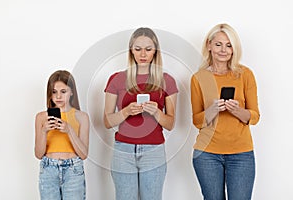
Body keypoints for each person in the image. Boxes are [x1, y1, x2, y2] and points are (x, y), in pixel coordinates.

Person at [103, 27, 178, 200]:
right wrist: (126, 111)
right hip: (123, 151)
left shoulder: (167, 81)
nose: (142, 54)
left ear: (155, 52)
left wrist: (156, 112)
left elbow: (170, 123)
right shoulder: (117, 79)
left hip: (154, 152)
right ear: (131, 51)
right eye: (137, 49)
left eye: (148, 49)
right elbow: (107, 121)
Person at [190, 23, 260, 200]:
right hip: (206, 154)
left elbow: (254, 116)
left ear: (234, 49)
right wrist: (212, 110)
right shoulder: (199, 78)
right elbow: (197, 121)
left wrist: (237, 111)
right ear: (209, 45)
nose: (223, 50)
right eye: (218, 44)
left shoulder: (245, 75)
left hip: (241, 154)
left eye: (229, 46)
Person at [35, 70, 89, 200]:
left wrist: (69, 130)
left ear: (71, 92)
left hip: (73, 170)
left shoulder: (81, 117)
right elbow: (38, 154)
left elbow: (83, 154)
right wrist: (43, 131)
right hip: (48, 169)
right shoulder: (41, 117)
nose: (58, 96)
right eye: (54, 92)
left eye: (63, 92)